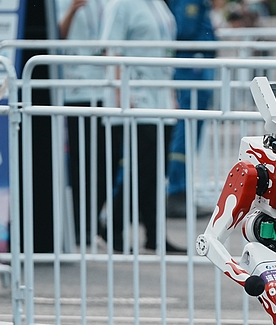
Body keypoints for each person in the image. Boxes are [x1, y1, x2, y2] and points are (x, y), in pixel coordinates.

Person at [99, 0, 182, 254]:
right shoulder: (122, 5)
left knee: (156, 172)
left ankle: (155, 235)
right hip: (136, 97)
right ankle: (113, 227)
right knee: (141, 170)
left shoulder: (157, 4)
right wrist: (121, 95)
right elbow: (112, 50)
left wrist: (172, 95)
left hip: (161, 99)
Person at [56, 0, 110, 247]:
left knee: (101, 162)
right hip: (74, 91)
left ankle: (91, 223)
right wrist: (72, 9)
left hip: (101, 90)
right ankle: (78, 226)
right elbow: (56, 34)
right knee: (79, 163)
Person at [165, 0, 216, 219]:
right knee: (184, 133)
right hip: (190, 70)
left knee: (190, 133)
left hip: (196, 70)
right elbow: (184, 29)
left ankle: (180, 190)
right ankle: (176, 191)